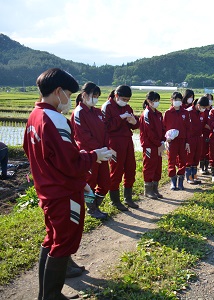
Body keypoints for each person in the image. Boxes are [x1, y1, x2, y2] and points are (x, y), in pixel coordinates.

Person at [23, 68, 112, 300]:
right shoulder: (55, 119)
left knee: (52, 239)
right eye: (69, 95)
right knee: (63, 242)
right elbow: (70, 161)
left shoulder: (34, 116)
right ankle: (52, 296)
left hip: (47, 189)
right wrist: (94, 156)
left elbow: (32, 152)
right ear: (58, 91)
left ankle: (46, 295)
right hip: (63, 192)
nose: (69, 101)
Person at [71, 82, 110, 220]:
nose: (95, 98)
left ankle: (96, 205)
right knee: (90, 183)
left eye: (97, 96)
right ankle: (91, 209)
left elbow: (105, 131)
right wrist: (97, 150)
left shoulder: (98, 112)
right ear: (84, 95)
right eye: (93, 95)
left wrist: (106, 148)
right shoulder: (79, 112)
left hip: (102, 153)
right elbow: (83, 136)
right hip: (89, 155)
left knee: (105, 182)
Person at [102, 85, 140, 211]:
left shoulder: (127, 107)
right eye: (124, 99)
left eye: (128, 100)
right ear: (116, 96)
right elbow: (105, 127)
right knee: (116, 169)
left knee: (131, 168)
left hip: (127, 140)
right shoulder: (107, 106)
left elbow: (134, 125)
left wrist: (134, 122)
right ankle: (115, 199)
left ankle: (128, 197)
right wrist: (120, 118)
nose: (125, 102)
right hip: (114, 142)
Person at [139, 91, 166, 199]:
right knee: (149, 166)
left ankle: (155, 189)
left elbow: (163, 129)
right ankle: (148, 190)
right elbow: (149, 132)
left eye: (157, 101)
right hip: (149, 145)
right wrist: (158, 143)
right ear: (149, 101)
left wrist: (163, 141)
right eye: (154, 101)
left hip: (158, 144)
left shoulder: (158, 114)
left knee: (157, 166)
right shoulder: (146, 114)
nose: (156, 103)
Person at [163, 91, 191, 190]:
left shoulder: (185, 113)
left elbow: (188, 128)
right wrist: (166, 139)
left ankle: (180, 182)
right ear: (171, 100)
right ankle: (173, 182)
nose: (177, 102)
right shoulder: (167, 113)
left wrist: (187, 142)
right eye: (175, 100)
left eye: (179, 100)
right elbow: (164, 128)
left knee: (183, 161)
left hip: (182, 140)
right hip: (172, 141)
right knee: (171, 160)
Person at [185, 96, 210, 184]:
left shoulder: (202, 113)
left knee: (196, 157)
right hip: (190, 138)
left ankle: (194, 176)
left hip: (199, 138)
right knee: (189, 157)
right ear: (198, 105)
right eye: (203, 107)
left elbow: (204, 124)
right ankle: (188, 177)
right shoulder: (188, 112)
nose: (204, 109)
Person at [199, 93, 213, 175]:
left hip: (211, 133)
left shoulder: (212, 110)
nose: (209, 100)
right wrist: (206, 126)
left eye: (210, 99)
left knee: (209, 150)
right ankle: (202, 167)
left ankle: (207, 166)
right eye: (207, 98)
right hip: (203, 133)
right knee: (202, 150)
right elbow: (201, 121)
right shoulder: (202, 110)